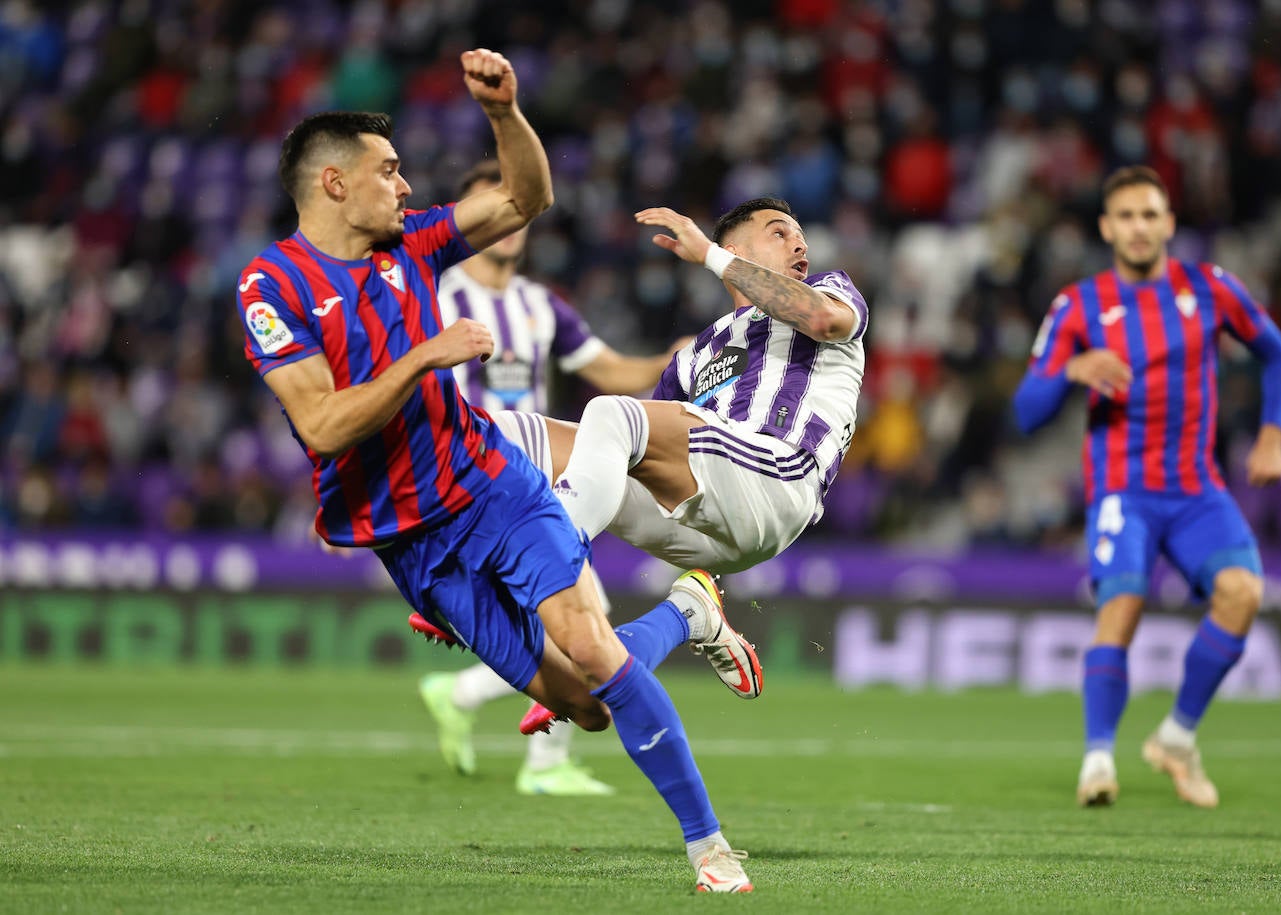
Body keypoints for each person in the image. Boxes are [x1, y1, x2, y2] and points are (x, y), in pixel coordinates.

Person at [235, 49, 755, 893]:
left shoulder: (413, 242)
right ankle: (688, 609)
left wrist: (506, 113)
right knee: (585, 707)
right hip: (414, 543)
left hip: (493, 484)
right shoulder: (273, 282)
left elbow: (526, 198)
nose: (405, 188)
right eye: (390, 172)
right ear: (333, 183)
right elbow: (323, 427)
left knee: (591, 647)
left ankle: (710, 849)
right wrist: (424, 356)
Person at [506, 196, 868, 735]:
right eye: (779, 232)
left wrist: (708, 257)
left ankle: (546, 580)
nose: (800, 243)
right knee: (513, 435)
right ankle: (695, 612)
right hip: (704, 521)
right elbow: (628, 451)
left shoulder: (831, 291)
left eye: (800, 236)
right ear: (736, 249)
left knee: (611, 413)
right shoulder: (698, 352)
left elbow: (820, 317)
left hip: (776, 478)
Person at [1011, 165, 1281, 809]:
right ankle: (1097, 762)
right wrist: (1072, 369)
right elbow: (1026, 411)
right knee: (1124, 605)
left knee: (1243, 593)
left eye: (1150, 215)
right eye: (1126, 217)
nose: (1139, 227)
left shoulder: (1211, 288)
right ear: (1107, 227)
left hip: (1197, 488)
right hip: (1122, 490)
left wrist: (1273, 435)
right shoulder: (1077, 305)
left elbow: (1278, 353)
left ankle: (1176, 737)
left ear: (1169, 223)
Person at [420, 159, 688, 797]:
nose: (505, 223)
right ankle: (534, 754)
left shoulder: (542, 307)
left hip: (538, 478)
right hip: (469, 477)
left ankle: (483, 712)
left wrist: (668, 361)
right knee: (582, 616)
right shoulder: (433, 297)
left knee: (578, 616)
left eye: (510, 208)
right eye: (486, 205)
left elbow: (611, 372)